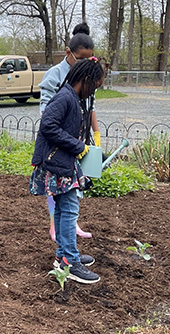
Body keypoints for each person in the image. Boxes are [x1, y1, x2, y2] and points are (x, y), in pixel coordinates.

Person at [30, 57, 104, 284]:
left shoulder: (72, 97)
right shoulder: (65, 97)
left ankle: (63, 255)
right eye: (94, 86)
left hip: (63, 162)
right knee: (70, 209)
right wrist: (78, 146)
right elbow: (48, 126)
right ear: (86, 79)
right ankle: (70, 262)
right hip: (58, 164)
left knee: (64, 209)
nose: (93, 92)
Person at [39, 22, 100, 243]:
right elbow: (47, 115)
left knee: (75, 184)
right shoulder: (55, 76)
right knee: (56, 184)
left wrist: (96, 135)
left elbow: (91, 106)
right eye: (80, 59)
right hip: (59, 141)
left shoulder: (87, 76)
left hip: (77, 140)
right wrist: (66, 138)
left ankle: (70, 223)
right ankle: (55, 226)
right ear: (68, 53)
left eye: (89, 59)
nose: (84, 63)